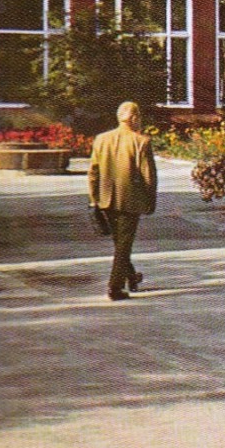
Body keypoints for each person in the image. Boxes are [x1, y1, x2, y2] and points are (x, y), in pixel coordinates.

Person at [88, 101, 158, 301]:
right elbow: (149, 176)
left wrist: (94, 199)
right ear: (134, 118)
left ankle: (132, 276)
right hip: (131, 201)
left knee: (120, 243)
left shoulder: (101, 139)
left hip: (106, 200)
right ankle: (115, 288)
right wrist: (150, 200)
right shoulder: (141, 141)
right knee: (123, 245)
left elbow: (93, 173)